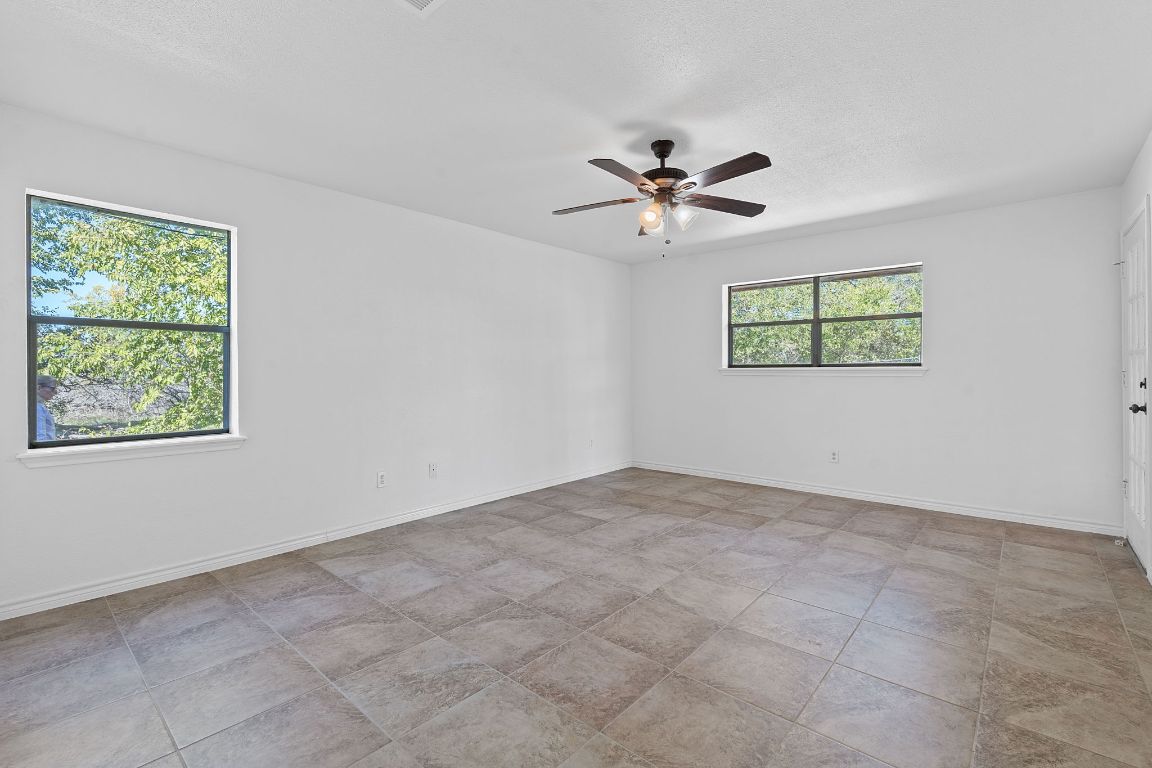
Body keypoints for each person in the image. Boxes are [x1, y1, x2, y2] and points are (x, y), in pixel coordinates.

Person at [36, 374, 57, 441]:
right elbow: (39, 437)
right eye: (52, 388)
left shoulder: (38, 405)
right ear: (39, 388)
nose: (56, 392)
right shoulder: (37, 408)